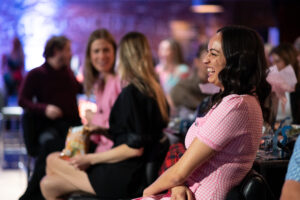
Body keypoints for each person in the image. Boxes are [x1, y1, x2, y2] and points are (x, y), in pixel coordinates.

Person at [141, 25, 271, 200]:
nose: (205, 60)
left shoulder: (236, 105)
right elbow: (183, 170)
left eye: (214, 54)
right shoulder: (231, 101)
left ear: (236, 60)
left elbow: (179, 173)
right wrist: (178, 185)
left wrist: (147, 192)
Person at [40, 32, 169, 199]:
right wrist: (102, 131)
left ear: (123, 56)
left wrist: (91, 158)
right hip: (132, 169)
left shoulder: (132, 92)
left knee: (52, 162)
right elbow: (135, 134)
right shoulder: (154, 89)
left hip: (126, 176)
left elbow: (134, 148)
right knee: (49, 185)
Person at [18, 36, 82, 200]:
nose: (70, 53)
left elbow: (78, 89)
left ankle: (32, 195)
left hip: (72, 127)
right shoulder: (36, 74)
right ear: (56, 51)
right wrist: (45, 108)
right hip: (48, 126)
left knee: (54, 146)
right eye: (67, 49)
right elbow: (22, 100)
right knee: (49, 145)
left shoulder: (67, 73)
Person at [83, 29, 121, 153]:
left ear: (114, 52)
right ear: (90, 56)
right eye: (96, 51)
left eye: (106, 50)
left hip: (113, 151)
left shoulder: (119, 81)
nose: (101, 56)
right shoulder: (99, 83)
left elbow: (118, 125)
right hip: (101, 147)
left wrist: (92, 117)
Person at [170, 44, 219, 112]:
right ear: (197, 62)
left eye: (213, 59)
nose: (210, 63)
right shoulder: (183, 87)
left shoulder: (219, 87)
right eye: (206, 58)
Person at [155, 38, 190, 113]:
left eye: (166, 50)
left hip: (177, 110)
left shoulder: (183, 70)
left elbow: (185, 93)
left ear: (174, 52)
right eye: (161, 49)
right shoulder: (157, 70)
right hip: (160, 110)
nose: (162, 53)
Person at [268, 44, 299, 123]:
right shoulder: (270, 85)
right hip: (275, 133)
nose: (274, 66)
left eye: (277, 61)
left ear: (289, 61)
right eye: (272, 63)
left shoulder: (297, 86)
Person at [1, 36, 24, 103]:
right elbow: (3, 68)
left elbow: (22, 67)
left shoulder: (21, 55)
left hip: (18, 78)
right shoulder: (7, 55)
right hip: (10, 78)